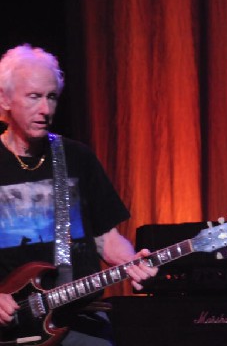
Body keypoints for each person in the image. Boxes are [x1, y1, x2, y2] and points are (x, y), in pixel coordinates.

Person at [0, 44, 158, 345]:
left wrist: (133, 261)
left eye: (51, 97)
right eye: (34, 97)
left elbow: (104, 238)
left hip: (80, 321)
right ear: (4, 99)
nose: (46, 109)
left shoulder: (76, 157)